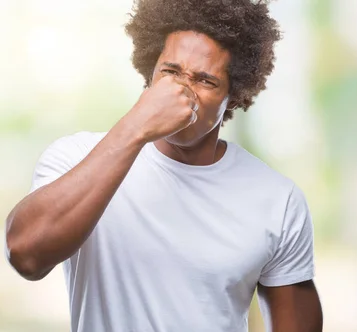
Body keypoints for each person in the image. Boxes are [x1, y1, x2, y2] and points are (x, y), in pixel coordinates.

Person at [4, 0, 323, 331]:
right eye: (170, 72)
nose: (182, 91)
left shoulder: (277, 199)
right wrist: (137, 128)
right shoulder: (76, 157)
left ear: (235, 94)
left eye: (205, 81)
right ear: (149, 72)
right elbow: (26, 254)